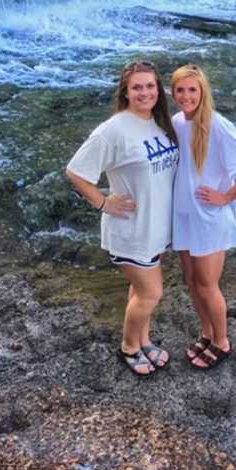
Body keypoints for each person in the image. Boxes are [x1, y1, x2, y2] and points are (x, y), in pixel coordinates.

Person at [66, 60, 178, 378]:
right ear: (126, 93)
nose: (145, 92)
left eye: (150, 86)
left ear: (159, 89)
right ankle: (129, 348)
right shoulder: (113, 130)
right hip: (130, 230)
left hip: (155, 227)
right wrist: (103, 202)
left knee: (140, 292)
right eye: (137, 87)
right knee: (151, 293)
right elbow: (76, 171)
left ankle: (143, 339)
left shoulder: (159, 123)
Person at [171, 64, 236, 370]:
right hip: (184, 214)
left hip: (209, 217)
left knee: (208, 285)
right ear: (173, 92)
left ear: (203, 92)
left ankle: (222, 342)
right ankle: (207, 333)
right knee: (191, 282)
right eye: (180, 90)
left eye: (192, 90)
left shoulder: (217, 125)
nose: (186, 96)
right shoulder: (176, 122)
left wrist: (225, 196)